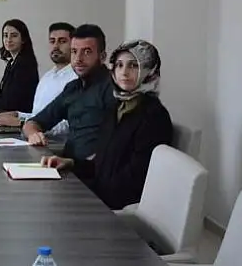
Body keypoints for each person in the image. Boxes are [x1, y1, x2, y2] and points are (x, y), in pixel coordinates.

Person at [42, 40, 173, 210]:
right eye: (119, 65)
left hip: (120, 206)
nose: (124, 72)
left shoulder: (154, 116)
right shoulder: (117, 107)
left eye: (133, 66)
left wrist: (85, 193)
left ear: (149, 71)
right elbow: (103, 163)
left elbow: (137, 177)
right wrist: (71, 163)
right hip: (102, 194)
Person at [21, 24, 115, 160]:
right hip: (66, 165)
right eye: (74, 51)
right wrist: (33, 134)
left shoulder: (112, 88)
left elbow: (116, 145)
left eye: (87, 52)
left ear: (102, 56)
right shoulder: (72, 88)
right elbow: (34, 122)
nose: (78, 59)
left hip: (92, 169)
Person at [0, 22, 77, 139]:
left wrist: (22, 123)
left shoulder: (76, 78)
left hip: (57, 145)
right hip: (35, 139)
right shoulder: (48, 76)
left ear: (74, 45)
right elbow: (38, 116)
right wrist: (18, 114)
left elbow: (68, 125)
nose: (56, 46)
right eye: (52, 41)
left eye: (62, 41)